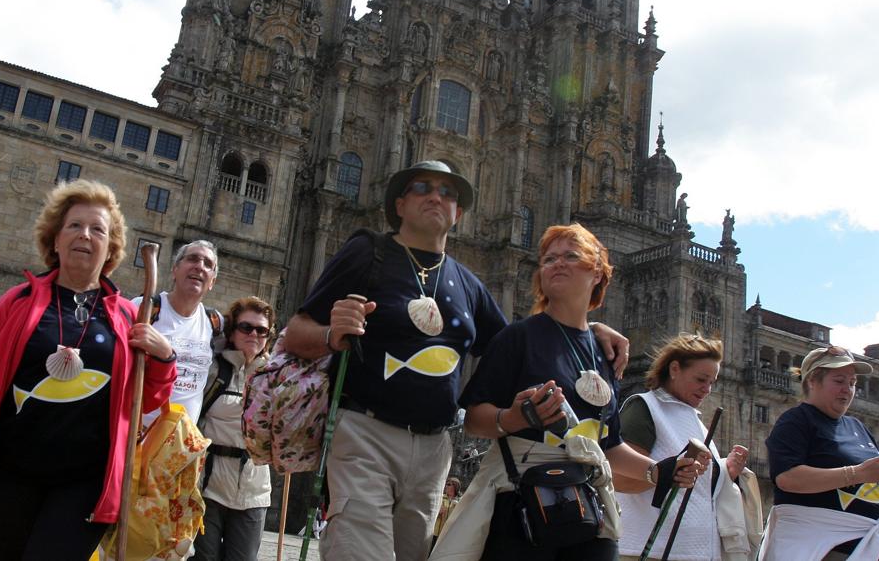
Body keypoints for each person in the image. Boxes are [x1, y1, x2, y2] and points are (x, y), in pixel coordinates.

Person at [280, 161, 630, 561]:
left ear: (458, 213)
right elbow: (296, 331)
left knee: (413, 553)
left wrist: (588, 329)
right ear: (399, 203)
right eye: (422, 188)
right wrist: (330, 334)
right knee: (360, 551)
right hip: (365, 430)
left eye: (448, 193)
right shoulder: (368, 252)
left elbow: (522, 347)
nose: (435, 196)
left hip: (433, 448)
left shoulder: (468, 284)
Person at [0, 180, 176, 560]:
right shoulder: (18, 302)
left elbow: (145, 402)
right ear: (55, 239)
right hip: (5, 476)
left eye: (98, 229)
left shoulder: (128, 317)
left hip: (85, 484)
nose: (85, 235)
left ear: (111, 247)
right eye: (74, 226)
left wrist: (163, 361)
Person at [445, 223, 705, 561]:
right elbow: (475, 420)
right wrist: (514, 417)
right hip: (523, 500)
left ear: (597, 273)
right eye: (549, 259)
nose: (557, 263)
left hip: (588, 505)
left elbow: (606, 445)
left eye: (571, 256)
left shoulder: (606, 353)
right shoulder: (517, 338)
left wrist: (657, 470)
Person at [760, 346, 879, 561]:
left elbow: (860, 493)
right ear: (812, 381)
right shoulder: (796, 420)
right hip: (821, 549)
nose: (848, 389)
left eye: (852, 383)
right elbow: (787, 478)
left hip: (869, 547)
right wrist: (858, 472)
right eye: (839, 381)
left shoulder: (857, 427)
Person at [615, 334, 754, 561]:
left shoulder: (694, 420)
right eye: (701, 379)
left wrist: (724, 472)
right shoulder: (646, 408)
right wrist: (667, 473)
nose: (707, 389)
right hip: (651, 551)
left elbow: (697, 492)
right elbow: (619, 479)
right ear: (675, 369)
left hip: (695, 552)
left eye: (712, 382)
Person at [193, 296, 275, 561]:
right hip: (208, 486)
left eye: (261, 330)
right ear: (232, 330)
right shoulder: (213, 367)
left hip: (254, 489)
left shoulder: (276, 375)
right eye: (246, 327)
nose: (254, 334)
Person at [132, 239, 221, 426]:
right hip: (137, 437)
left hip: (180, 446)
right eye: (192, 259)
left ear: (212, 281)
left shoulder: (215, 323)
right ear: (175, 270)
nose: (199, 266)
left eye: (208, 264)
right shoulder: (143, 309)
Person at [433, 477, 461, 547]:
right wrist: (437, 510)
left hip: (449, 535)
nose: (446, 486)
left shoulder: (460, 502)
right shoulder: (440, 498)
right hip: (435, 534)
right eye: (446, 484)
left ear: (455, 486)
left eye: (449, 484)